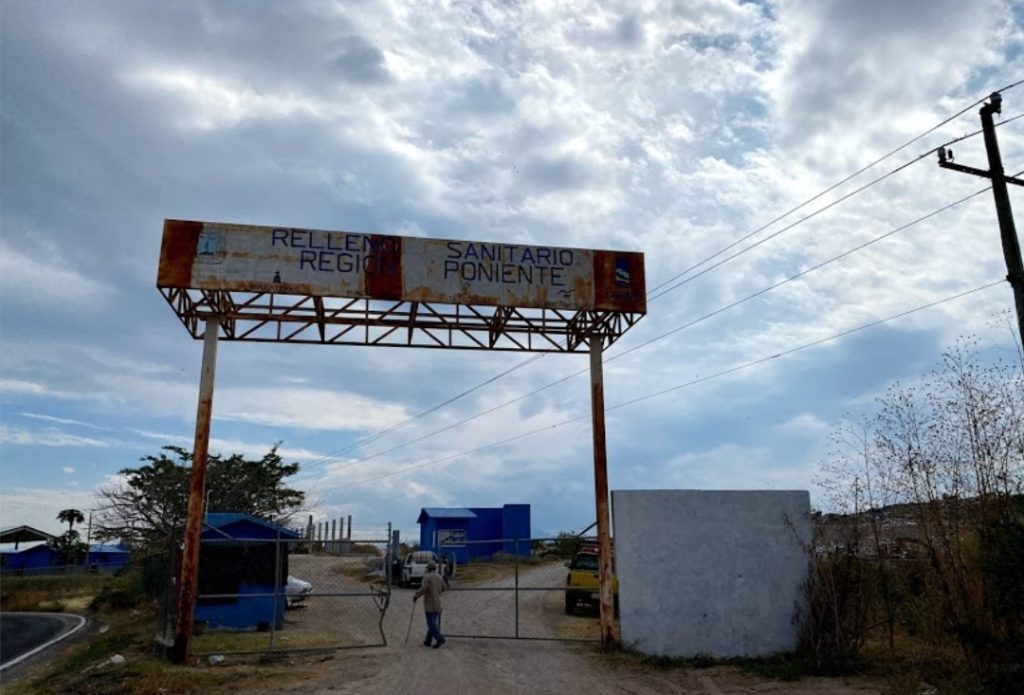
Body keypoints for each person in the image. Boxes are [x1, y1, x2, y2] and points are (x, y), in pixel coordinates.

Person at [413, 561, 446, 648]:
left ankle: (439, 638)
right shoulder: (439, 577)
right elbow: (444, 588)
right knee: (432, 623)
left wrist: (416, 595)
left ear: (428, 569)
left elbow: (423, 589)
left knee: (431, 624)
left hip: (430, 604)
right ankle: (428, 641)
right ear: (435, 568)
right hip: (438, 603)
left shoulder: (427, 577)